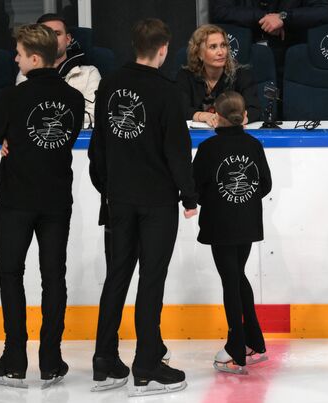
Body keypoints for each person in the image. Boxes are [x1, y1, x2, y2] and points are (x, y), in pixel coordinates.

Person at [88, 18, 197, 396]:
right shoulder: (167, 92)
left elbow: (97, 146)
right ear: (163, 49)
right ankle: (147, 366)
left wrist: (110, 188)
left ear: (135, 46)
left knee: (116, 276)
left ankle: (104, 361)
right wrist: (189, 195)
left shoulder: (109, 84)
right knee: (151, 279)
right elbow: (177, 151)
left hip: (118, 198)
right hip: (156, 202)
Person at [0, 23, 84, 389]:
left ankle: (14, 358)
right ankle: (51, 359)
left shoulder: (11, 97)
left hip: (15, 199)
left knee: (11, 274)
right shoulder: (74, 99)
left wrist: (13, 138)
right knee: (53, 277)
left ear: (35, 57)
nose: (14, 58)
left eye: (19, 53)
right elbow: (64, 137)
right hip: (56, 200)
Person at [193, 91, 271, 374]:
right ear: (245, 116)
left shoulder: (208, 149)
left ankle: (236, 348)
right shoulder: (254, 145)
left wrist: (216, 201)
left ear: (216, 116)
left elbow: (195, 187)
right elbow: (265, 185)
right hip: (247, 223)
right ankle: (254, 341)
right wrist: (244, 201)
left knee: (231, 280)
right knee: (237, 276)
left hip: (221, 224)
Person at [209, 0, 328, 89]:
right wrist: (265, 18)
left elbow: (326, 12)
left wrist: (284, 18)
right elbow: (220, 11)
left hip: (290, 58)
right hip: (245, 58)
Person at [16, 14, 101, 125]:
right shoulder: (26, 73)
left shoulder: (89, 73)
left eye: (57, 33)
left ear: (68, 39)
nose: (52, 40)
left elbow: (94, 115)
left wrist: (49, 120)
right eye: (45, 35)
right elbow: (20, 115)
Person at [176, 24, 261, 127]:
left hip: (231, 133)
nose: (221, 52)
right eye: (213, 47)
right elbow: (180, 108)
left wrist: (241, 119)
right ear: (199, 54)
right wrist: (203, 116)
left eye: (223, 45)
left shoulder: (241, 75)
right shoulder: (186, 76)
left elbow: (255, 109)